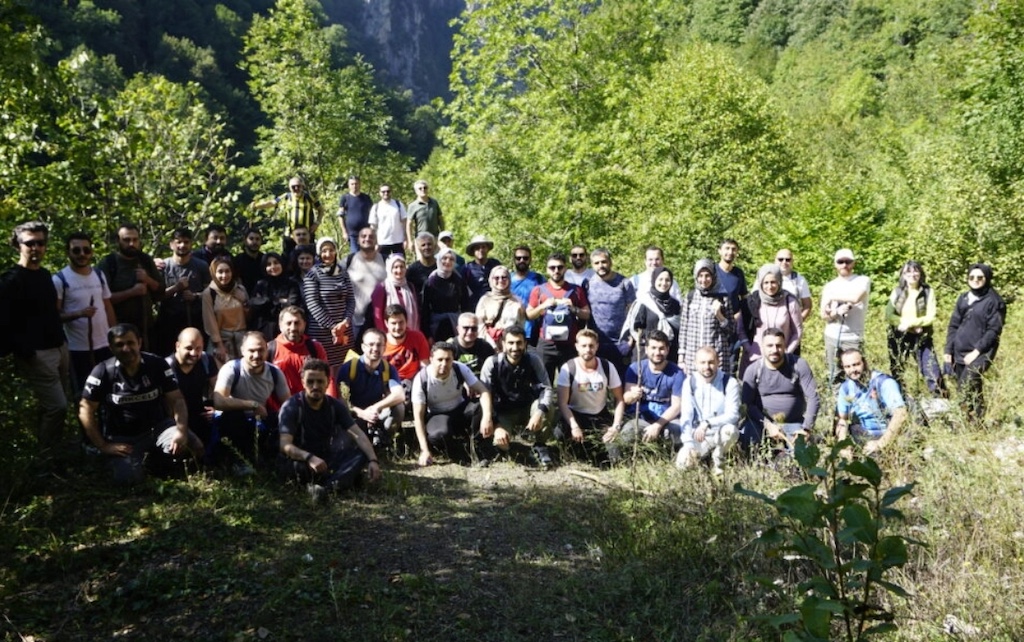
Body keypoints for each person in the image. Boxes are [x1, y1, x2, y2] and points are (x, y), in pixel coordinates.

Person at [80, 324, 202, 484]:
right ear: (110, 348)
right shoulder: (102, 372)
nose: (126, 348)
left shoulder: (157, 364)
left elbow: (177, 399)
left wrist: (181, 430)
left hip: (159, 428)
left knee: (194, 447)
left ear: (139, 342)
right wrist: (103, 445)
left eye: (130, 343)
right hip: (123, 438)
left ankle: (157, 461)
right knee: (129, 480)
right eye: (119, 344)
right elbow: (86, 410)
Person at [1, 221, 69, 450]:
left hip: (59, 348)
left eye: (41, 243)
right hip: (38, 353)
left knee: (56, 404)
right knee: (57, 407)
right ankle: (45, 457)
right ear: (18, 245)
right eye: (30, 243)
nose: (36, 248)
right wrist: (25, 351)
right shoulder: (11, 280)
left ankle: (55, 450)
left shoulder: (44, 275)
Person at [278, 358, 381, 500]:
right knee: (295, 468)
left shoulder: (335, 406)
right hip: (302, 459)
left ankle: (325, 489)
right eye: (310, 382)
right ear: (303, 383)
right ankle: (339, 483)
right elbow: (285, 445)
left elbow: (358, 435)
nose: (315, 386)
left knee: (361, 455)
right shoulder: (292, 406)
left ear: (328, 382)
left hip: (326, 458)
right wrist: (309, 458)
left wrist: (373, 461)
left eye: (320, 381)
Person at [479, 326, 557, 468]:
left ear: (525, 344)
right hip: (504, 411)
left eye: (519, 343)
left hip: (527, 408)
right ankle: (506, 447)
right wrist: (495, 425)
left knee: (548, 406)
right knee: (501, 444)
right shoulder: (493, 363)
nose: (515, 347)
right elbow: (485, 394)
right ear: (503, 344)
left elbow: (547, 388)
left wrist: (539, 413)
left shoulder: (533, 360)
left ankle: (540, 445)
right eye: (511, 343)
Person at [213, 332, 291, 472]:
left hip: (258, 421)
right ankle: (237, 461)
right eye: (252, 350)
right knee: (234, 416)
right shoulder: (231, 369)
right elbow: (218, 401)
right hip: (232, 422)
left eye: (261, 350)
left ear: (267, 349)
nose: (256, 355)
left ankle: (275, 458)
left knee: (284, 418)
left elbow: (288, 405)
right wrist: (252, 404)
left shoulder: (275, 372)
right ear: (242, 350)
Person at [412, 342, 494, 466]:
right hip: (438, 414)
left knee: (480, 407)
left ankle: (480, 449)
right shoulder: (421, 379)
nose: (444, 364)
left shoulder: (459, 368)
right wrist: (424, 451)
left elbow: (484, 391)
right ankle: (458, 453)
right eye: (439, 360)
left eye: (448, 359)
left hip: (460, 409)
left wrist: (487, 417)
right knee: (438, 435)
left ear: (453, 360)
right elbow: (418, 418)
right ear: (431, 359)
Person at [54, 232, 116, 394]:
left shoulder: (98, 275)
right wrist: (79, 313)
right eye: (76, 250)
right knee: (85, 393)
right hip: (79, 349)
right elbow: (54, 317)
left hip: (105, 345)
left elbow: (107, 306)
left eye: (86, 250)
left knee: (111, 389)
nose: (82, 254)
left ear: (91, 252)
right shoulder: (60, 279)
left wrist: (115, 336)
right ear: (68, 252)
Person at [740, 328, 819, 454]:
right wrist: (767, 424)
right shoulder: (753, 370)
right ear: (762, 347)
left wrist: (806, 428)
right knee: (749, 444)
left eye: (778, 345)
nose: (774, 350)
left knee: (801, 454)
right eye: (770, 346)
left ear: (785, 346)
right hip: (761, 424)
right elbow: (747, 405)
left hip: (794, 423)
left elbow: (813, 397)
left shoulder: (799, 365)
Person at [944, 263, 1006, 421]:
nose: (975, 280)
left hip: (981, 352)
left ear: (987, 278)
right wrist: (948, 351)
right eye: (972, 277)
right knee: (974, 388)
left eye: (980, 277)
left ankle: (963, 422)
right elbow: (954, 325)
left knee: (965, 384)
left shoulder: (995, 301)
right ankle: (976, 423)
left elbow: (994, 331)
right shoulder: (964, 298)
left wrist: (976, 352)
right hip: (960, 350)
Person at [554, 329, 626, 465]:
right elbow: (562, 403)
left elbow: (619, 399)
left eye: (591, 346)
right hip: (575, 415)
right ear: (577, 347)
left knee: (614, 457)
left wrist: (615, 426)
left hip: (599, 416)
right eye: (584, 346)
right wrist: (574, 426)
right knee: (561, 439)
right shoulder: (568, 368)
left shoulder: (607, 367)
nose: (588, 349)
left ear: (597, 346)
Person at [613, 330, 684, 458]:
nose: (657, 352)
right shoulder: (635, 369)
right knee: (628, 434)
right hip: (640, 418)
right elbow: (626, 399)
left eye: (661, 348)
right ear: (646, 349)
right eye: (653, 348)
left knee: (677, 431)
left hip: (666, 420)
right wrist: (632, 395)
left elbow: (677, 406)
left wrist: (657, 425)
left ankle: (666, 458)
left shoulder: (677, 373)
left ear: (667, 350)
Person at [337, 328, 406, 449]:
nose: (375, 348)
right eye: (371, 344)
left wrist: (376, 408)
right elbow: (342, 402)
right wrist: (362, 413)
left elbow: (400, 395)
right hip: (354, 415)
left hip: (377, 414)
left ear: (384, 348)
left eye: (379, 345)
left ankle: (384, 440)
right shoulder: (349, 368)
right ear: (363, 347)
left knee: (399, 407)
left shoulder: (388, 368)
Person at [675, 346, 740, 474]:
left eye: (711, 362)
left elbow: (733, 415)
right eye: (702, 363)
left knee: (730, 431)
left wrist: (708, 423)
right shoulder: (689, 383)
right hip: (698, 436)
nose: (707, 367)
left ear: (718, 362)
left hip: (719, 434)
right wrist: (689, 444)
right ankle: (702, 459)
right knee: (682, 465)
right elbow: (686, 415)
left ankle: (718, 458)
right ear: (695, 364)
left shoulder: (729, 382)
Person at [527, 252, 592, 381]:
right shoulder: (538, 290)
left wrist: (574, 308)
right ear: (547, 270)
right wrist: (543, 306)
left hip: (569, 344)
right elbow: (529, 315)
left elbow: (587, 315)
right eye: (552, 267)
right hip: (546, 344)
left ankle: (566, 402)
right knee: (544, 383)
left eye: (560, 267)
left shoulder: (576, 290)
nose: (556, 271)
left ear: (565, 269)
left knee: (571, 382)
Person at [99, 223, 164, 350]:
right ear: (118, 241)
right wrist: (131, 292)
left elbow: (161, 291)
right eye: (126, 240)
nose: (131, 244)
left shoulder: (145, 260)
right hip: (120, 331)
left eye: (135, 240)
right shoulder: (108, 264)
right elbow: (103, 299)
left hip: (146, 329)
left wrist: (148, 280)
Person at [885, 260, 944, 397]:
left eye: (915, 271)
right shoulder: (897, 291)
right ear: (903, 275)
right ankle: (900, 399)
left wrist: (911, 323)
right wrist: (903, 324)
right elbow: (889, 315)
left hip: (921, 335)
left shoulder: (928, 292)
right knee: (898, 369)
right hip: (898, 335)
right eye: (908, 271)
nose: (912, 274)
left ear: (920, 273)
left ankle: (940, 401)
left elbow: (930, 316)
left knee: (931, 369)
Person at [835, 349, 908, 455]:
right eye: (848, 367)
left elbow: (901, 414)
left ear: (864, 362)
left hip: (889, 433)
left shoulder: (884, 383)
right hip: (866, 434)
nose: (853, 370)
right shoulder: (846, 388)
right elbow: (843, 419)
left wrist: (882, 443)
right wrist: (843, 446)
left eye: (856, 365)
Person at [302, 237, 355, 378]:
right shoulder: (312, 274)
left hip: (344, 331)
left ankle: (340, 398)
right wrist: (333, 327)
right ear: (319, 253)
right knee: (324, 372)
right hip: (322, 333)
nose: (328, 254)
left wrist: (346, 321)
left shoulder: (343, 272)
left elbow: (351, 299)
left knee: (342, 372)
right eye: (324, 251)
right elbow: (312, 304)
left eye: (331, 250)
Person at [737, 263, 803, 376]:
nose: (770, 286)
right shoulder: (751, 301)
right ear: (760, 283)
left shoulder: (790, 301)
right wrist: (748, 348)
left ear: (779, 282)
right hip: (755, 359)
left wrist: (786, 352)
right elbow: (741, 329)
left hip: (781, 359)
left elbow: (797, 331)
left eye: (773, 282)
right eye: (766, 283)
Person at [166, 327, 218, 464]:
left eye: (198, 348)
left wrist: (219, 411)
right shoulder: (165, 368)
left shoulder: (207, 360)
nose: (194, 353)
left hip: (199, 413)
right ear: (177, 346)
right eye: (188, 348)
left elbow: (219, 390)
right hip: (174, 419)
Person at [155, 227, 209, 356]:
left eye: (186, 242)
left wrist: (195, 296)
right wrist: (176, 287)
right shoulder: (163, 266)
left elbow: (211, 293)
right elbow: (156, 297)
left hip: (195, 320)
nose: (182, 245)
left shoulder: (201, 266)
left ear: (191, 244)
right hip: (168, 322)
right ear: (171, 244)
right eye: (178, 242)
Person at [820, 248, 871, 382]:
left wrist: (833, 298)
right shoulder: (829, 286)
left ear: (853, 263)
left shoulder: (862, 280)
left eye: (848, 261)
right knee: (835, 373)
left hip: (853, 336)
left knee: (858, 373)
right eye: (840, 262)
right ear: (835, 264)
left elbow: (855, 298)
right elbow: (824, 314)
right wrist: (836, 312)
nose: (844, 265)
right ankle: (838, 401)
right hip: (832, 335)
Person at [678, 258, 735, 376]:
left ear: (713, 276)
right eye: (700, 276)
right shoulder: (690, 297)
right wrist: (681, 357)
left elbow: (731, 330)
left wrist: (720, 316)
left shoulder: (723, 298)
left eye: (707, 276)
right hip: (692, 356)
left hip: (716, 357)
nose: (703, 280)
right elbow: (683, 329)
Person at [583, 248, 635, 371]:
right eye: (596, 263)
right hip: (596, 343)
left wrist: (631, 337)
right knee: (596, 384)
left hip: (620, 342)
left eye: (604, 262)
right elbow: (584, 311)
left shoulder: (624, 283)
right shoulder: (587, 283)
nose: (601, 266)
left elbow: (633, 311)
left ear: (610, 262)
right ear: (592, 265)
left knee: (620, 383)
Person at [267, 306, 329, 396]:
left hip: (311, 404)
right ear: (280, 325)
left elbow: (327, 378)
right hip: (280, 406)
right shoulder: (269, 349)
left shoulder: (315, 347)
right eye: (288, 323)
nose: (293, 328)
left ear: (304, 324)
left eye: (297, 323)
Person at [252, 176, 322, 254]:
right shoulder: (286, 197)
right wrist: (256, 206)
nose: (296, 188)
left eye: (298, 186)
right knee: (288, 259)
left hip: (306, 235)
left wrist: (317, 223)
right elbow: (272, 203)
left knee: (308, 256)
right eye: (293, 187)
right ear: (289, 188)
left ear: (303, 186)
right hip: (289, 235)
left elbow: (321, 209)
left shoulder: (308, 196)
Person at [202, 256, 249, 366]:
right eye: (220, 272)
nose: (224, 276)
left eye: (227, 271)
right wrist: (219, 345)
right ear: (214, 273)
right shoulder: (209, 293)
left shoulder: (240, 289)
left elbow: (248, 316)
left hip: (241, 340)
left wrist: (244, 302)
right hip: (221, 342)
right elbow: (210, 321)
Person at [345, 226, 386, 346]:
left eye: (371, 236)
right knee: (355, 357)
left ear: (376, 240)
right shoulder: (349, 260)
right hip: (355, 320)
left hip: (380, 319)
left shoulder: (386, 260)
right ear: (357, 240)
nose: (367, 239)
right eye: (363, 236)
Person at [629, 266, 681, 358]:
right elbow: (634, 328)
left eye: (667, 280)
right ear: (654, 280)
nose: (664, 283)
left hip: (670, 354)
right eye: (660, 279)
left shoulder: (675, 305)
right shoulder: (644, 302)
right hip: (646, 354)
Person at [249, 252, 301, 342]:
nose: (273, 266)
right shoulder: (261, 285)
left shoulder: (291, 284)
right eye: (269, 264)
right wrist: (279, 301)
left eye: (276, 262)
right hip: (264, 330)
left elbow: (292, 305)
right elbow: (254, 304)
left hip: (287, 328)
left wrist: (269, 302)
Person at [475, 265, 526, 350]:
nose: (500, 280)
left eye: (504, 277)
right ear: (491, 280)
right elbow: (479, 325)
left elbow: (520, 326)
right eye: (496, 278)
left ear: (509, 279)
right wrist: (492, 345)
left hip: (511, 347)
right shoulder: (485, 300)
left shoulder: (516, 301)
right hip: (488, 345)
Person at [421, 248, 467, 341]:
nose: (448, 261)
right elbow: (425, 309)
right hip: (436, 326)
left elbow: (466, 305)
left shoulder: (459, 281)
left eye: (451, 259)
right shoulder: (431, 282)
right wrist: (427, 334)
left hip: (455, 325)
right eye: (444, 258)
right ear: (439, 260)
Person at [382, 303, 431, 388]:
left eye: (401, 322)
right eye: (393, 323)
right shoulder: (381, 343)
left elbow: (425, 365)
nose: (397, 327)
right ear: (386, 324)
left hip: (415, 381)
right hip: (391, 384)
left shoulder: (417, 337)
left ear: (406, 321)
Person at [371, 254, 421, 333]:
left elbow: (416, 313)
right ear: (389, 269)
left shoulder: (410, 286)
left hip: (411, 332)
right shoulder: (382, 287)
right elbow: (377, 314)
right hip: (390, 335)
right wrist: (383, 334)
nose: (399, 270)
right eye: (395, 267)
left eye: (402, 267)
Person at [509, 245, 545, 344]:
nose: (522, 260)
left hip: (533, 330)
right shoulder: (506, 279)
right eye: (518, 258)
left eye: (525, 258)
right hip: (511, 328)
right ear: (514, 260)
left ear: (530, 260)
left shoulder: (539, 279)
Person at [369, 183, 407, 259]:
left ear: (391, 192)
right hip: (382, 242)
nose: (386, 193)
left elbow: (404, 222)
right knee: (382, 266)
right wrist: (374, 243)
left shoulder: (398, 204)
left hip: (398, 241)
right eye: (383, 192)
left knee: (399, 265)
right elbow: (373, 227)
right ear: (379, 193)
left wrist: (406, 239)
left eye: (388, 191)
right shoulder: (376, 207)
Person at [462, 235, 501, 310]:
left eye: (483, 247)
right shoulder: (467, 268)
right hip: (474, 307)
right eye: (477, 248)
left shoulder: (495, 264)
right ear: (473, 251)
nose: (481, 250)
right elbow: (462, 290)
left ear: (487, 249)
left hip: (495, 305)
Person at [337, 175, 373, 254]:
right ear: (349, 185)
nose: (354, 186)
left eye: (356, 184)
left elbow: (373, 215)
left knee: (367, 256)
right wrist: (344, 232)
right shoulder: (345, 198)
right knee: (355, 256)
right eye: (352, 184)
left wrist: (372, 230)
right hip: (352, 235)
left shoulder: (366, 198)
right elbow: (340, 216)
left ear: (360, 184)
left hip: (366, 234)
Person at [405, 179, 444, 253]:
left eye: (425, 188)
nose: (423, 190)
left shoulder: (434, 202)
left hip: (435, 237)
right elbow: (409, 224)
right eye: (420, 188)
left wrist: (443, 235)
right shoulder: (412, 206)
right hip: (421, 238)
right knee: (422, 261)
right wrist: (410, 241)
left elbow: (440, 219)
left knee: (438, 260)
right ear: (416, 191)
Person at [775, 249, 812, 322]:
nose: (784, 262)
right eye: (780, 259)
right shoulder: (765, 277)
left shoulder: (800, 280)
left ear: (792, 262)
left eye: (788, 260)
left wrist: (799, 321)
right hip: (769, 325)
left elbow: (807, 305)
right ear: (775, 260)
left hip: (791, 325)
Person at [715, 238, 747, 317]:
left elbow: (744, 297)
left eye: (733, 249)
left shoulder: (738, 273)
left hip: (733, 321)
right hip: (713, 319)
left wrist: (739, 315)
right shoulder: (712, 272)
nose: (730, 252)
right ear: (720, 251)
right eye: (727, 248)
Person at [233, 226, 265, 295]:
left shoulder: (265, 259)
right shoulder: (237, 260)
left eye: (257, 239)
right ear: (245, 241)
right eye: (251, 239)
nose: (254, 242)